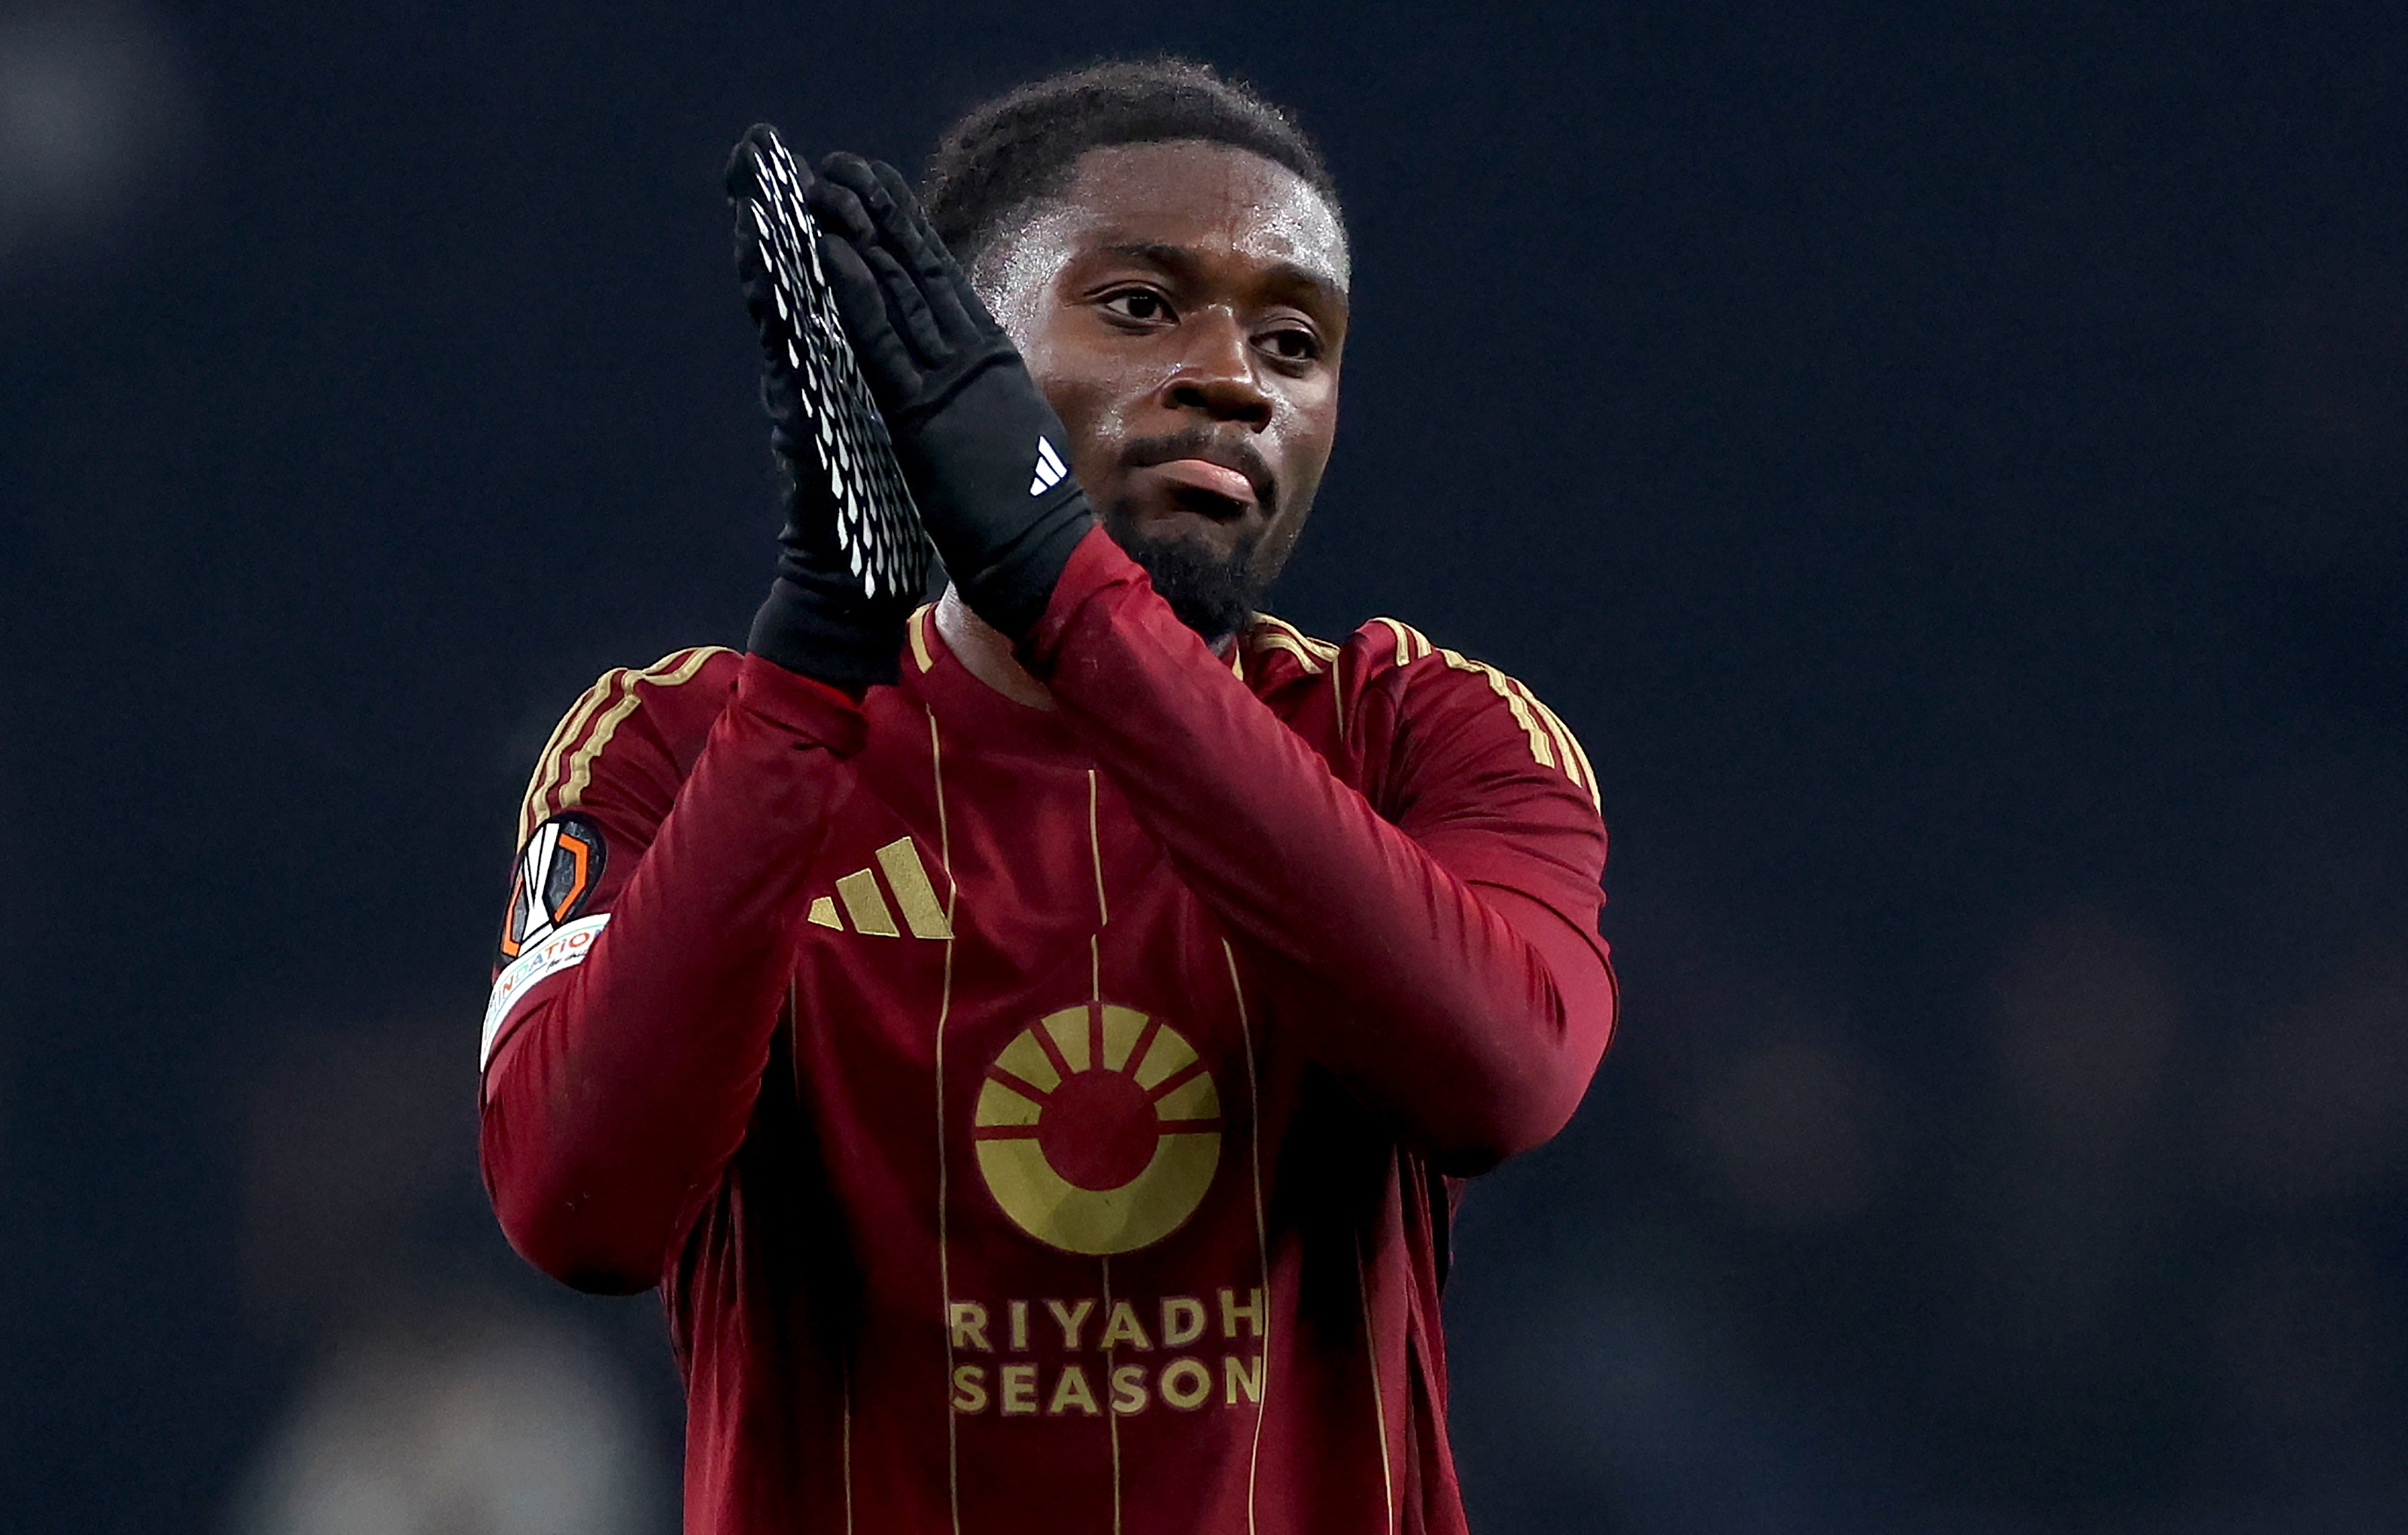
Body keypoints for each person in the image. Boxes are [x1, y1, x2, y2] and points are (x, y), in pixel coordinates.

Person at [478, 58, 1617, 1535]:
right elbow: (579, 1210)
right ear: (946, 350)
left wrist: (1063, 591)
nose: (1235, 379)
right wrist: (809, 679)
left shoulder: (1426, 735)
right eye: (1140, 307)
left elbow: (1502, 1080)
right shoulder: (679, 743)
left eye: (1295, 342)